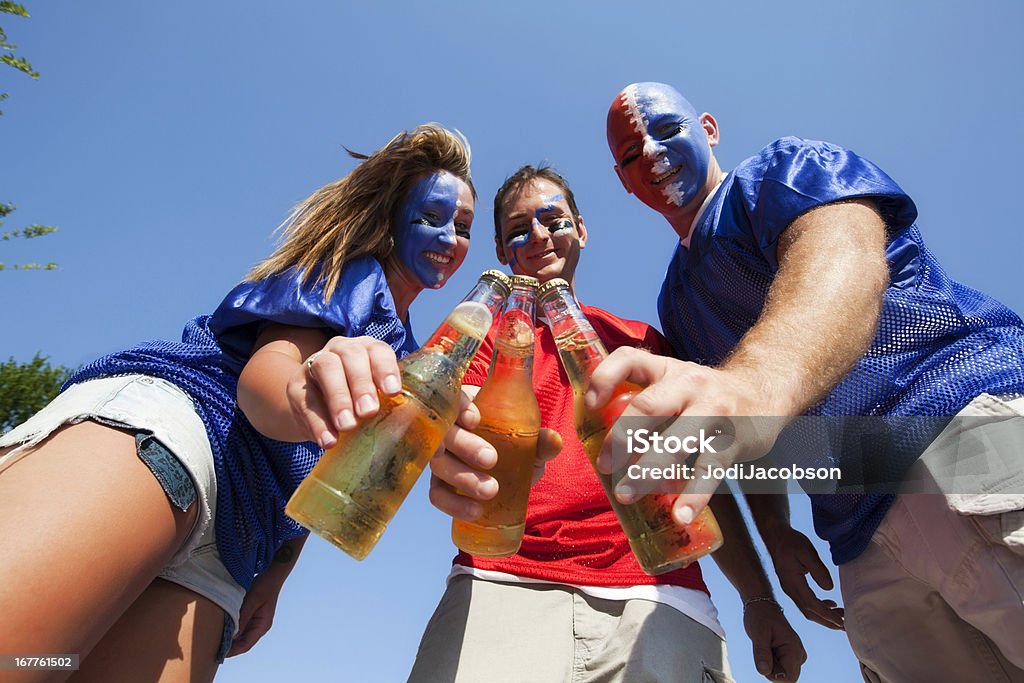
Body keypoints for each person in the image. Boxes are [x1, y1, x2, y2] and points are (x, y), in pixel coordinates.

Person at [0, 123, 481, 682]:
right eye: (431, 217)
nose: (449, 238)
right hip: (182, 441)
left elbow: (332, 474)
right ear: (393, 216)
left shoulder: (413, 355)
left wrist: (275, 573)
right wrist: (308, 394)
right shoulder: (350, 276)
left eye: (464, 228)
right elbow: (265, 382)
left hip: (236, 542)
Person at [594, 81, 1024, 681]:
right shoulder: (677, 301)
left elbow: (842, 256)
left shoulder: (780, 172)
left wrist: (757, 380)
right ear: (624, 180)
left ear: (709, 127)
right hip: (856, 532)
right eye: (634, 154)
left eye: (668, 130)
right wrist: (777, 537)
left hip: (957, 433)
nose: (656, 156)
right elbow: (734, 429)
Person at [415, 165, 806, 682]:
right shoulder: (481, 337)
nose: (537, 235)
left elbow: (701, 482)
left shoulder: (645, 342)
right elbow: (437, 415)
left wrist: (758, 598)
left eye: (552, 219)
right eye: (517, 229)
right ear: (500, 249)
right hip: (499, 580)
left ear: (581, 229)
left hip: (662, 591)